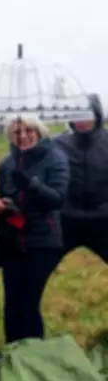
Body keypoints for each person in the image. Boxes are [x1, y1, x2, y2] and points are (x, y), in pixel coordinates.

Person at [0, 115, 69, 343]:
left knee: (28, 302)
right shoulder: (7, 164)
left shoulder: (55, 158)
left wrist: (31, 184)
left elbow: (57, 199)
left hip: (42, 242)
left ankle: (34, 357)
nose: (23, 136)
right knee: (11, 304)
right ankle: (13, 356)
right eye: (17, 132)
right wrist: (0, 207)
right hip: (13, 241)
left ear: (39, 132)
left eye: (29, 131)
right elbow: (2, 196)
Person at [53, 94, 108, 263]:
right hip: (66, 219)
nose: (81, 120)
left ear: (97, 115)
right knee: (36, 269)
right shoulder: (56, 144)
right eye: (76, 114)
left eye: (86, 113)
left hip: (103, 219)